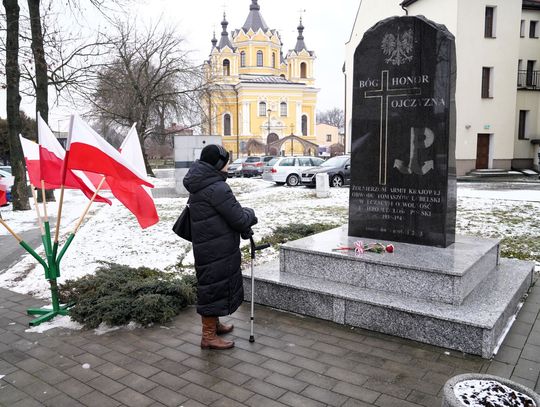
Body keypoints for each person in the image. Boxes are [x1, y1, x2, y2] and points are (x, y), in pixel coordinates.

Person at [183, 144, 257, 350]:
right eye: (226, 161)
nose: (228, 165)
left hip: (209, 243)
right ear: (218, 164)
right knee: (212, 287)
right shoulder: (217, 187)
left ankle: (213, 325)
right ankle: (208, 336)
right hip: (215, 247)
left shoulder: (202, 183)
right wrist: (250, 214)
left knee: (212, 284)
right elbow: (239, 218)